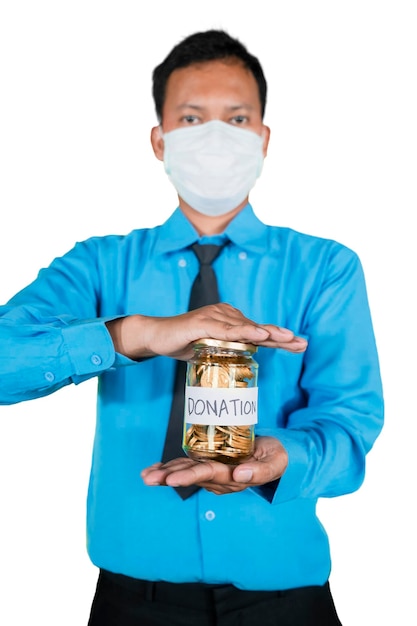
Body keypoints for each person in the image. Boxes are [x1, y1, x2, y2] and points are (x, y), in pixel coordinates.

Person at [0, 29, 383, 626]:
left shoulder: (326, 267)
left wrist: (283, 458)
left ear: (262, 137)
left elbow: (350, 420)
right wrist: (136, 335)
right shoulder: (101, 264)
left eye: (236, 119)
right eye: (191, 118)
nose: (215, 137)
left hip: (287, 602)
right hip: (134, 602)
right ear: (160, 140)